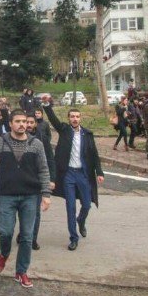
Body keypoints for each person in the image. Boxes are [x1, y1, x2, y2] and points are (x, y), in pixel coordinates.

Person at [0, 110, 51, 289]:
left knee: (27, 236)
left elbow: (44, 169)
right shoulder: (0, 142)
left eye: (25, 121)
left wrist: (46, 194)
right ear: (11, 123)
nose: (23, 124)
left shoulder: (36, 144)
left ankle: (21, 271)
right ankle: (4, 254)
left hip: (31, 196)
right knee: (6, 232)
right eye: (18, 121)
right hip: (7, 195)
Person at [42, 97, 104, 251]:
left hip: (83, 174)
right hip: (68, 174)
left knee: (87, 204)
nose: (75, 119)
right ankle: (73, 237)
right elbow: (53, 119)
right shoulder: (64, 130)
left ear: (80, 118)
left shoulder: (87, 134)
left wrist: (99, 172)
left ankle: (81, 221)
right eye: (72, 117)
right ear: (69, 119)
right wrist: (47, 105)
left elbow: (94, 154)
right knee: (70, 206)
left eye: (77, 117)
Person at [27, 113, 56, 251]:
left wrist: (52, 179)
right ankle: (24, 233)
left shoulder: (42, 139)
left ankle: (33, 238)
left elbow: (50, 159)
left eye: (31, 122)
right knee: (24, 211)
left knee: (36, 213)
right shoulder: (15, 138)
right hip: (22, 180)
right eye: (26, 122)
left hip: (37, 179)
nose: (28, 125)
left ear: (35, 124)